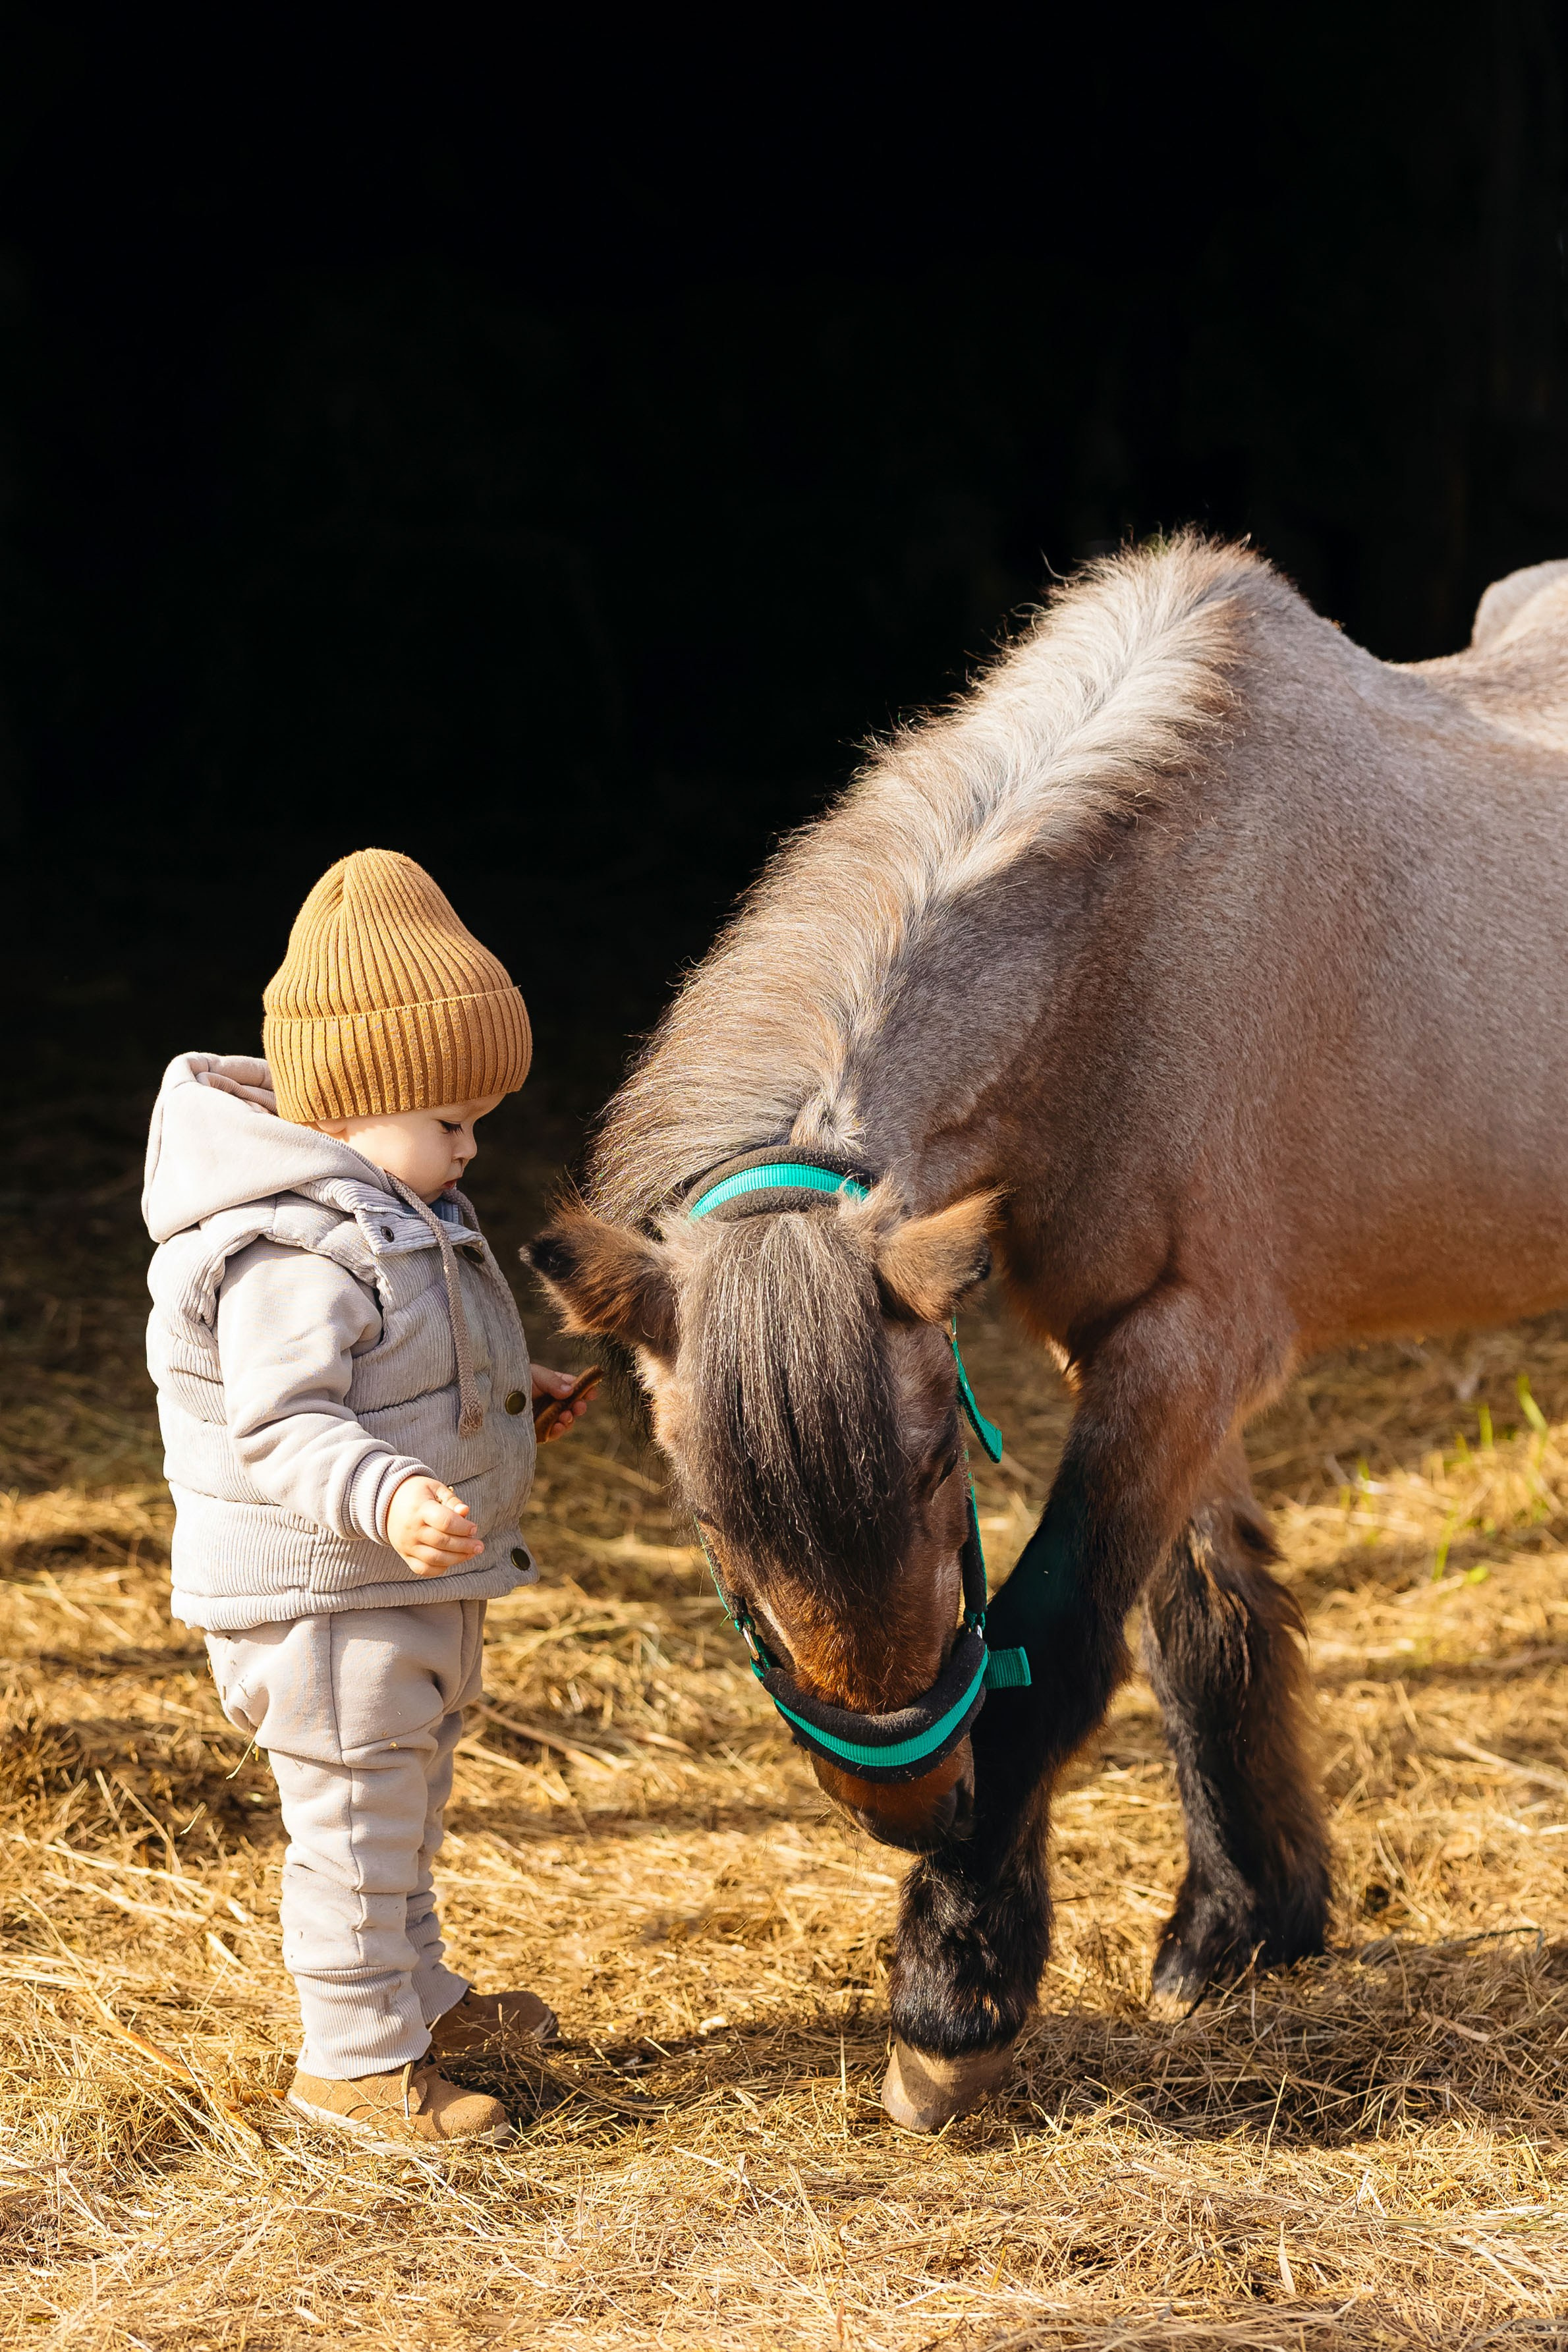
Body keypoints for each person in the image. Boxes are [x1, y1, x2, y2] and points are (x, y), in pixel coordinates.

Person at [142, 848, 590, 2150]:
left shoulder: (385, 1203)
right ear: (352, 1099)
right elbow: (284, 1421)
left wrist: (507, 1392)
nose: (471, 1144)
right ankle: (351, 2065)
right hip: (325, 1595)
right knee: (350, 1828)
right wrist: (390, 1494)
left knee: (402, 1808)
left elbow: (400, 1359)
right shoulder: (289, 1244)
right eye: (450, 1118)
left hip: (396, 1583)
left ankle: (416, 2000)